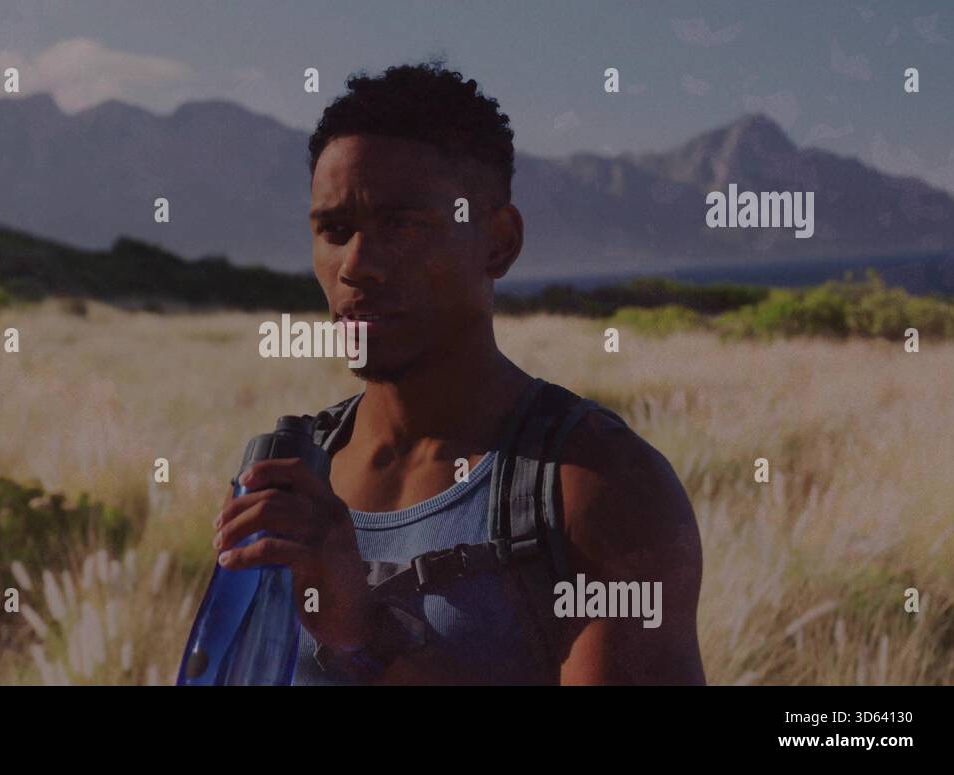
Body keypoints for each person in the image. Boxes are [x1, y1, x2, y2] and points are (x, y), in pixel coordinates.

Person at [212, 60, 705, 684]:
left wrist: (365, 633)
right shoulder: (286, 475)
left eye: (404, 226)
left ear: (498, 242)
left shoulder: (602, 490)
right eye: (335, 231)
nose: (356, 266)